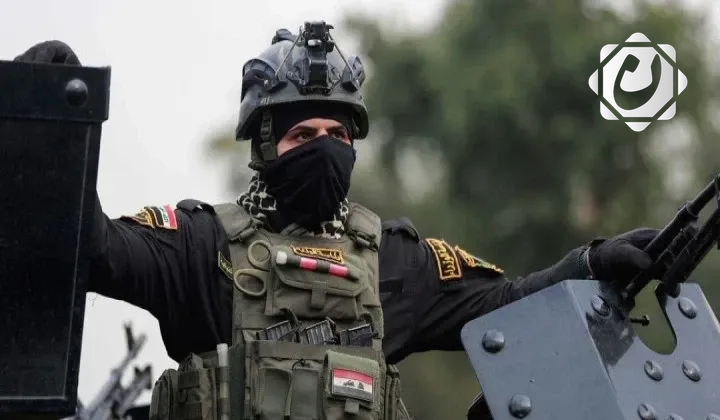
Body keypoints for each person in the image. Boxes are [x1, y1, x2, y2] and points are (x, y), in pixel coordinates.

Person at [15, 24, 659, 420]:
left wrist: (590, 264)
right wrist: (48, 131)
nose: (324, 149)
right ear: (264, 147)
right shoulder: (197, 244)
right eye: (303, 135)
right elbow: (92, 248)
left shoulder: (397, 260)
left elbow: (508, 304)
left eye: (337, 134)